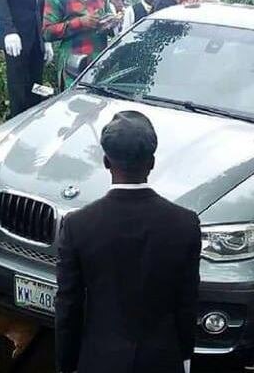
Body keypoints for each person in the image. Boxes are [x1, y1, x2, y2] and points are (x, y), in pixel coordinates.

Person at [55, 111, 201, 373]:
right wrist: (185, 358)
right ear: (152, 163)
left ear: (106, 162)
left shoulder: (78, 225)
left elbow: (68, 307)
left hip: (99, 362)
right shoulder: (185, 224)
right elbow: (187, 303)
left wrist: (66, 364)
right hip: (162, 361)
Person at [43, 0, 114, 90]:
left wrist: (110, 24)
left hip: (99, 64)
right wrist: (80, 23)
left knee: (98, 109)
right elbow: (46, 32)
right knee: (73, 110)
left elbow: (108, 17)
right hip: (73, 69)